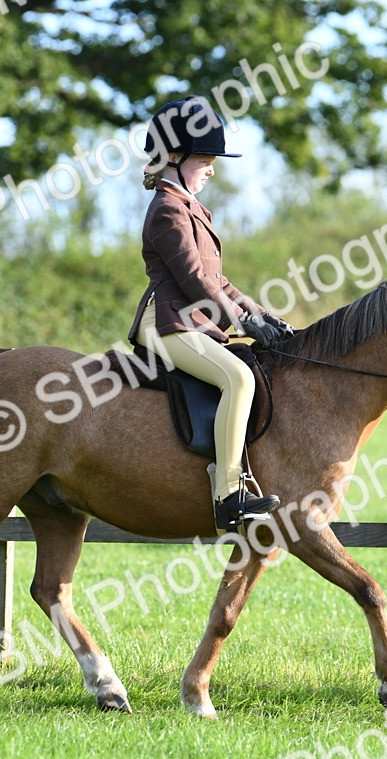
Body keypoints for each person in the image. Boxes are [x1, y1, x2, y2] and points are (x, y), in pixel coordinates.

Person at [127, 96, 295, 531]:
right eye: (205, 159)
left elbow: (219, 281)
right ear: (174, 158)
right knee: (237, 378)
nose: (212, 168)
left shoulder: (190, 208)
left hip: (191, 320)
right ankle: (227, 494)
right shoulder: (167, 211)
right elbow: (194, 282)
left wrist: (264, 316)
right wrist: (241, 322)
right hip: (168, 324)